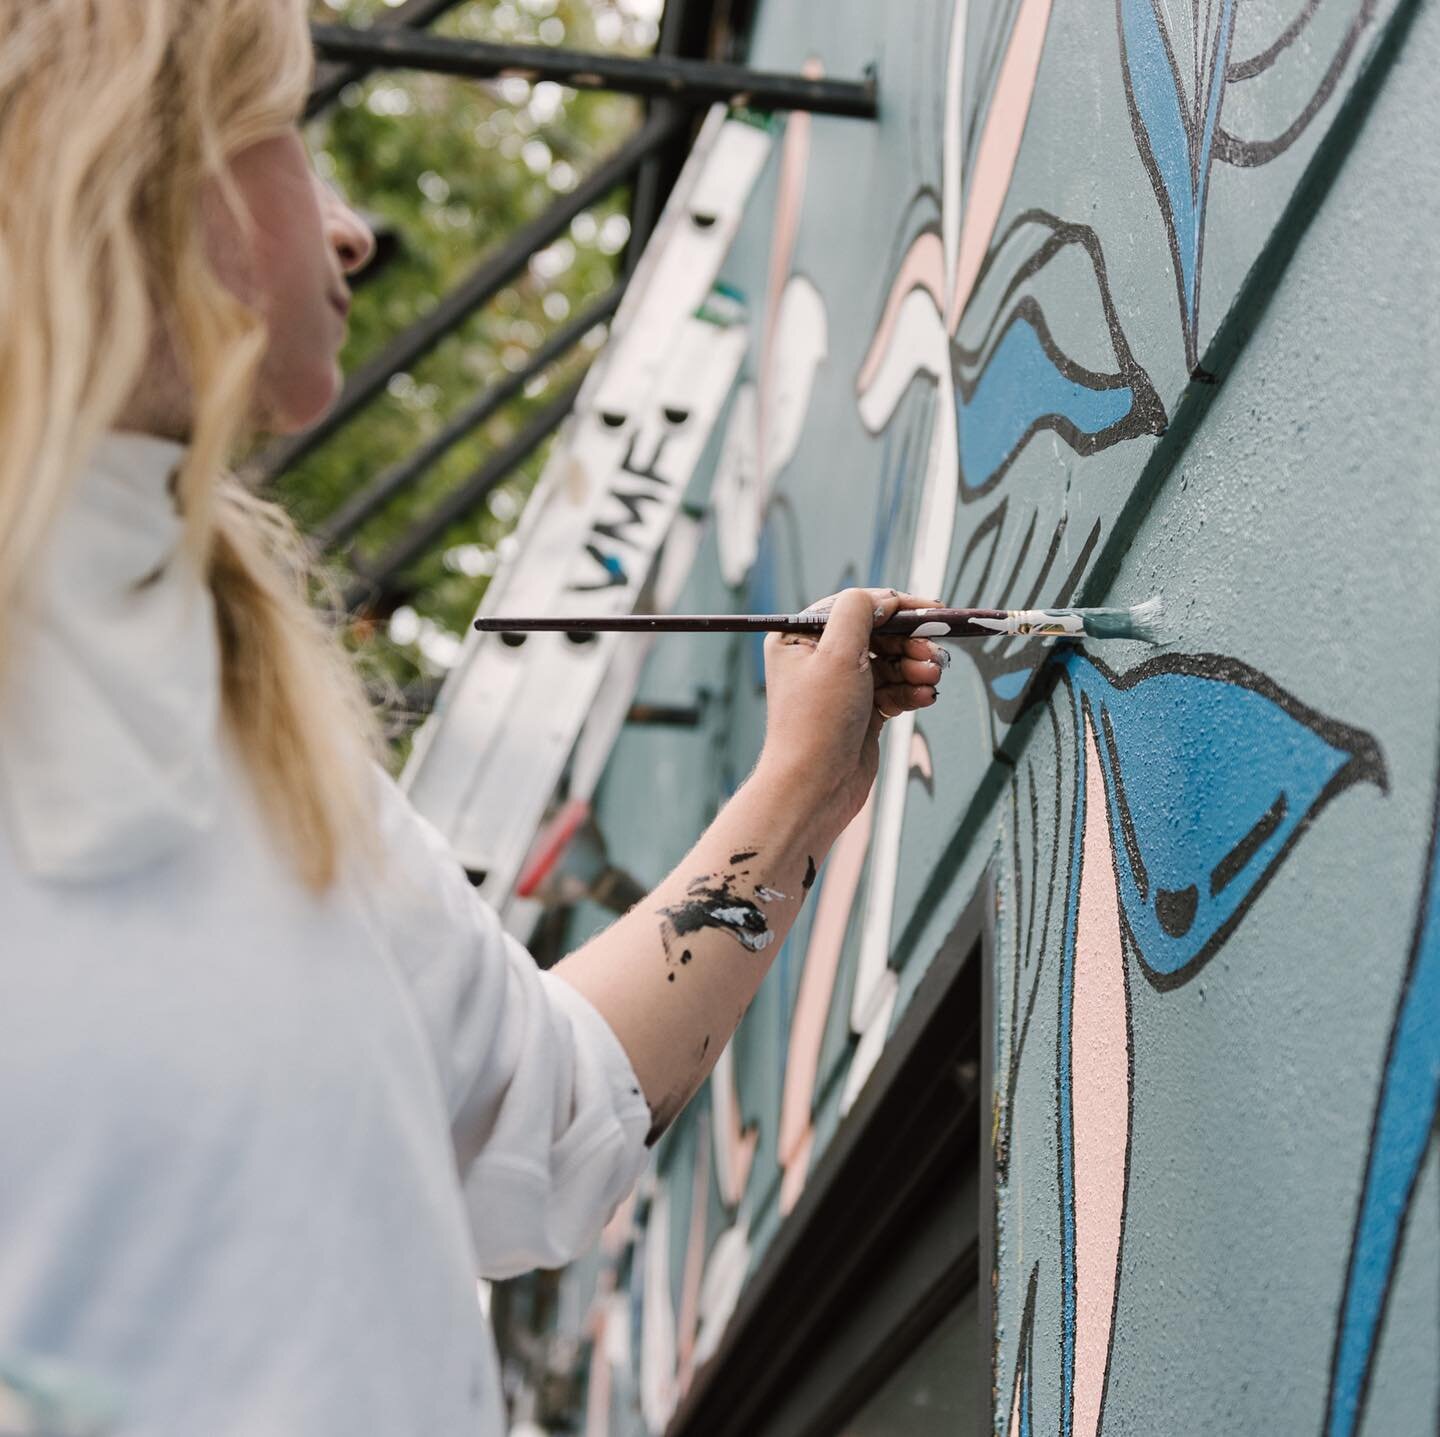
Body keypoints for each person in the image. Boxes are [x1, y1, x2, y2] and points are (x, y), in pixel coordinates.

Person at [0, 2, 947, 1432]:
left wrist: (804, 785)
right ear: (120, 162)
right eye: (287, 135)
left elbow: (553, 1120)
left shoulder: (260, 730)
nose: (351, 228)